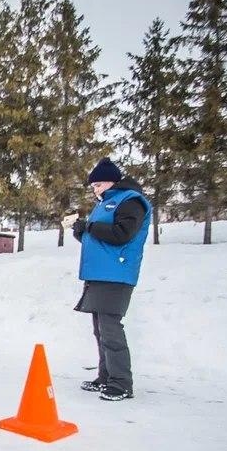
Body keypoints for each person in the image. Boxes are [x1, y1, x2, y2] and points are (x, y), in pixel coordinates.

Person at [72, 157, 151, 402]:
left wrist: (90, 227)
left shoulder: (131, 201)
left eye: (97, 185)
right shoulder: (106, 203)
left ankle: (121, 384)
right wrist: (81, 232)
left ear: (110, 182)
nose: (94, 190)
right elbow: (99, 240)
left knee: (110, 328)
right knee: (100, 330)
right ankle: (106, 377)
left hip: (116, 274)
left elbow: (122, 234)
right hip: (99, 273)